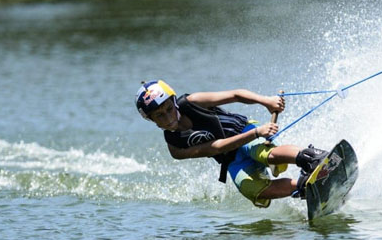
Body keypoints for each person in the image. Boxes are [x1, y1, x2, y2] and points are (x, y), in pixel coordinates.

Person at [135, 79, 327, 208]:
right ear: (151, 120)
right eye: (159, 115)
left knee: (265, 154)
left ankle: (313, 158)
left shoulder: (191, 102)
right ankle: (305, 186)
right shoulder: (175, 147)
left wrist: (266, 102)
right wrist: (256, 133)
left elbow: (235, 95)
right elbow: (217, 147)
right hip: (232, 158)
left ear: (174, 101)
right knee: (253, 191)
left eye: (169, 109)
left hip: (243, 129)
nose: (168, 117)